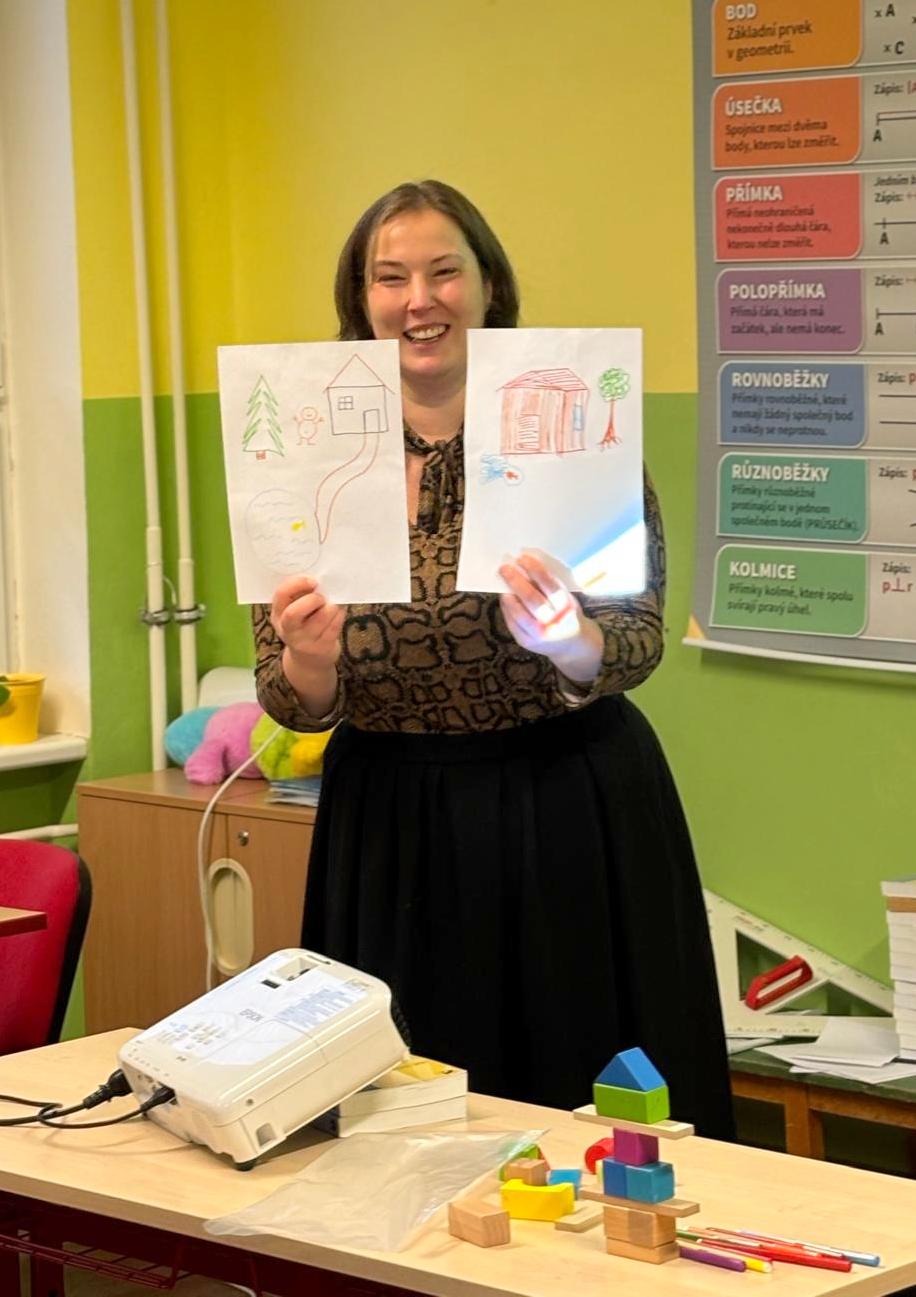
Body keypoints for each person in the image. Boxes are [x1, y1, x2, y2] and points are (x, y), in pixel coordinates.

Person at [253, 180, 734, 1138]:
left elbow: (637, 630)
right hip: (390, 826)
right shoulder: (303, 454)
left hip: (567, 807)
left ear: (489, 287)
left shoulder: (573, 428)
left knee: (589, 1107)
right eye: (390, 278)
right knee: (402, 1118)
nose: (418, 300)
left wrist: (571, 642)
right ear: (361, 299)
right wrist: (310, 658)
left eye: (443, 272)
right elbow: (289, 694)